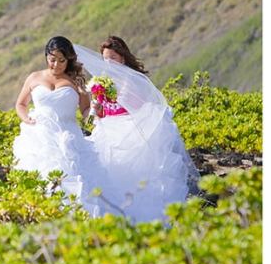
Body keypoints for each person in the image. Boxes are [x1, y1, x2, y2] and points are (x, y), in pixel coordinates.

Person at [77, 36, 198, 224]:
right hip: (107, 129)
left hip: (130, 128)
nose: (109, 63)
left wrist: (116, 98)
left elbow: (142, 107)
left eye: (113, 58)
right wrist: (97, 106)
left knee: (137, 176)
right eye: (105, 59)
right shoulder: (101, 81)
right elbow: (101, 112)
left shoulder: (132, 80)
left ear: (122, 58)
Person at [12, 36, 119, 217]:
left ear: (69, 59)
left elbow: (85, 110)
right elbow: (20, 104)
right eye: (52, 60)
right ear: (47, 57)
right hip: (40, 135)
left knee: (74, 179)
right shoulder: (34, 77)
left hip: (68, 136)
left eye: (62, 61)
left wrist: (94, 109)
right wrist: (26, 119)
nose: (56, 65)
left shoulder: (76, 81)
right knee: (41, 177)